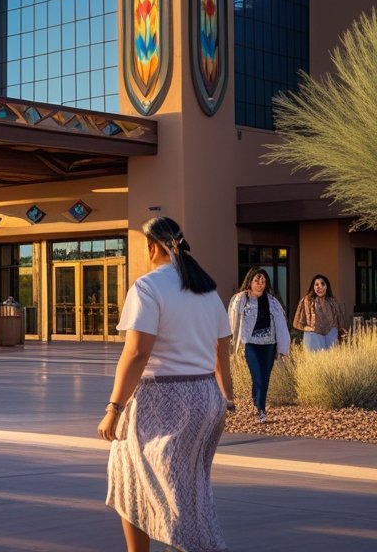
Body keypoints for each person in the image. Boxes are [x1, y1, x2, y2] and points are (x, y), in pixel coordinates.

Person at [98, 216, 233, 552]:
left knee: (133, 479)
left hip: (162, 400)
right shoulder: (207, 289)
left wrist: (113, 408)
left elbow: (136, 353)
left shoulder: (147, 287)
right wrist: (226, 399)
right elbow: (222, 353)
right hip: (205, 397)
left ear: (152, 246)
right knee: (188, 488)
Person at [228, 267, 291, 423]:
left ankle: (259, 405)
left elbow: (281, 324)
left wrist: (283, 348)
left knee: (265, 377)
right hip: (251, 344)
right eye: (257, 281)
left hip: (269, 344)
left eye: (263, 281)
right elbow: (233, 322)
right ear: (250, 281)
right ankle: (260, 409)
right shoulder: (241, 299)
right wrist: (233, 346)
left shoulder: (272, 301)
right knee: (257, 376)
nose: (260, 284)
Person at [293, 274, 349, 352]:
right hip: (313, 336)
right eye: (316, 284)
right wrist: (308, 329)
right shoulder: (306, 301)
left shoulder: (333, 302)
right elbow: (298, 322)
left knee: (330, 361)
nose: (320, 287)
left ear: (327, 287)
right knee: (315, 361)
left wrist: (339, 332)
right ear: (313, 287)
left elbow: (339, 323)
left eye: (322, 284)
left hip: (331, 336)